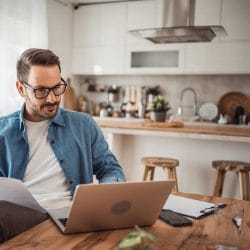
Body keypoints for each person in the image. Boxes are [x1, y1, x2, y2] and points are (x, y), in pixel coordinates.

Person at [0, 48, 126, 242]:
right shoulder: (3, 131)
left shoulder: (83, 124)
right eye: (41, 90)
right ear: (20, 89)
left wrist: (102, 195)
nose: (52, 98)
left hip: (72, 214)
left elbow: (110, 168)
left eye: (57, 87)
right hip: (22, 216)